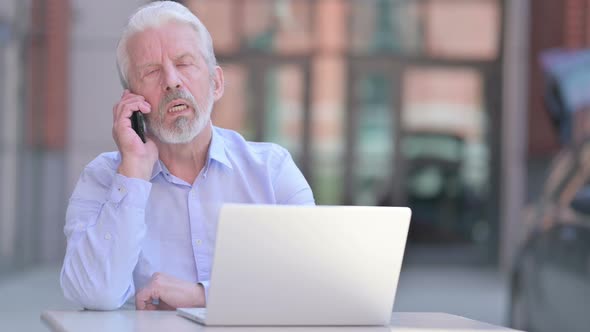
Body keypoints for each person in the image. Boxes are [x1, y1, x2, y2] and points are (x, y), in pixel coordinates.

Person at [60, 1, 314, 311]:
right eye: (151, 71)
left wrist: (202, 295)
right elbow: (94, 293)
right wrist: (133, 171)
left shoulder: (272, 171)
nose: (171, 80)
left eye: (184, 63)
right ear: (131, 100)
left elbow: (310, 279)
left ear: (216, 82)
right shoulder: (102, 178)